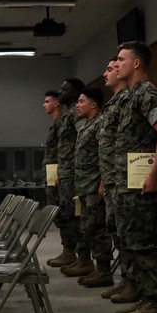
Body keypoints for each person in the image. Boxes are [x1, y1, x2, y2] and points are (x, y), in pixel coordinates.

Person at [109, 41, 157, 313]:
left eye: (122, 60)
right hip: (126, 183)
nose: (117, 64)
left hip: (141, 182)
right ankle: (141, 293)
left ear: (136, 63)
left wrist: (154, 174)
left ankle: (154, 301)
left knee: (145, 242)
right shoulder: (130, 96)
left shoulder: (147, 94)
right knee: (131, 240)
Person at [69, 86, 114, 287]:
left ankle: (104, 271)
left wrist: (103, 183)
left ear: (93, 104)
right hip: (85, 186)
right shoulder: (86, 126)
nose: (77, 106)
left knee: (98, 229)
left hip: (95, 185)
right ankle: (94, 266)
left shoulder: (100, 124)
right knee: (88, 227)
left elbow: (105, 155)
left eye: (81, 101)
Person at [97, 57, 130, 299]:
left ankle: (137, 286)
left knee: (130, 236)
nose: (108, 72)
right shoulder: (113, 104)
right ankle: (128, 280)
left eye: (112, 67)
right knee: (118, 233)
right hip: (112, 180)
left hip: (127, 181)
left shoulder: (133, 98)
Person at [49, 78, 86, 271]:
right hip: (65, 173)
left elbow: (83, 142)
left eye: (64, 89)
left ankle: (81, 257)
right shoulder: (68, 115)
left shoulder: (76, 115)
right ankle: (69, 252)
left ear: (75, 92)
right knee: (66, 214)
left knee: (74, 216)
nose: (60, 92)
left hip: (74, 174)